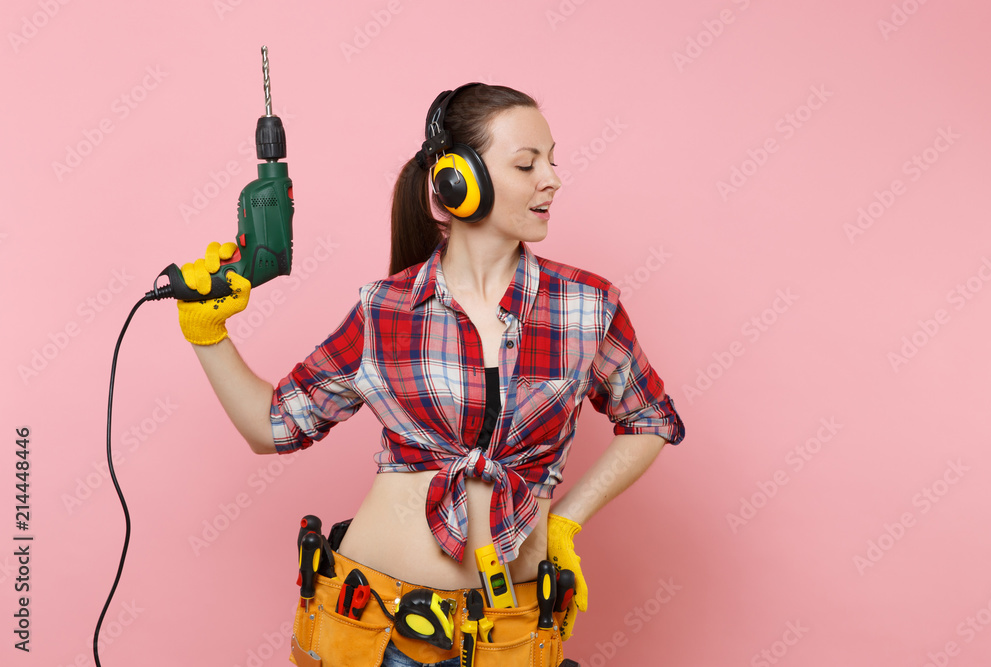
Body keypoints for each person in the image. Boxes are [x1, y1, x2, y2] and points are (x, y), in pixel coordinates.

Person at [175, 83, 685, 667]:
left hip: (511, 633)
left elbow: (651, 418)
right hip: (371, 626)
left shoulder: (587, 306)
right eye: (527, 164)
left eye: (552, 160)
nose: (553, 178)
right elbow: (274, 428)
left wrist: (567, 522)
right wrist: (206, 334)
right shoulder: (383, 310)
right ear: (456, 183)